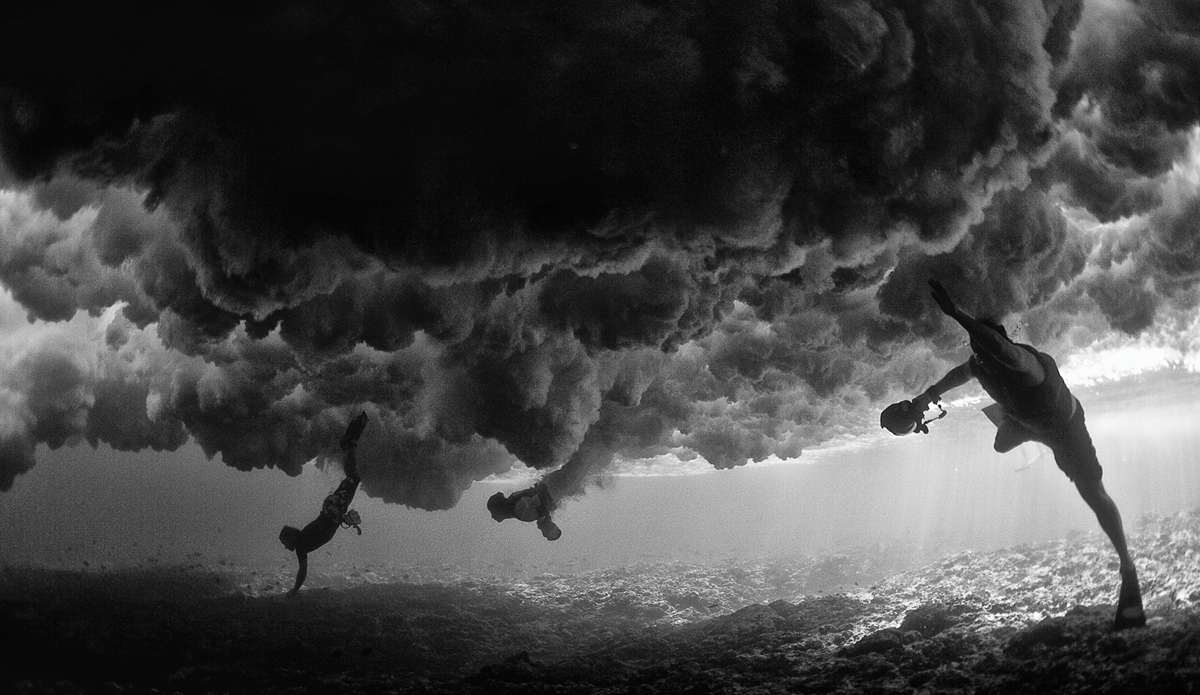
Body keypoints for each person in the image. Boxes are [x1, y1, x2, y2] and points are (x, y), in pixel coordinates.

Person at [911, 279, 1145, 630]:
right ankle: (1025, 433)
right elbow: (959, 373)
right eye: (977, 351)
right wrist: (923, 397)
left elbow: (997, 347)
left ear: (1001, 343)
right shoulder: (979, 362)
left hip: (1066, 431)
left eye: (987, 348)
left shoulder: (1022, 362)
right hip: (1028, 422)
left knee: (1093, 495)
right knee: (1001, 444)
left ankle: (1128, 566)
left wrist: (956, 313)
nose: (981, 356)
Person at [279, 412, 369, 597]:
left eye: (285, 542)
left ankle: (349, 445)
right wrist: (345, 520)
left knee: (354, 477)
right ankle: (349, 444)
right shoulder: (302, 541)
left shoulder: (302, 545)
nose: (286, 547)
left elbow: (302, 571)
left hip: (332, 510)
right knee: (352, 477)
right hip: (332, 508)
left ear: (291, 538)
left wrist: (295, 590)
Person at [487, 481, 562, 541]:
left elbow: (538, 496)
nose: (552, 523)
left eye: (550, 527)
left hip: (547, 489)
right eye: (553, 525)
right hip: (549, 488)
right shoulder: (536, 514)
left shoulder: (528, 515)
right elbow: (538, 495)